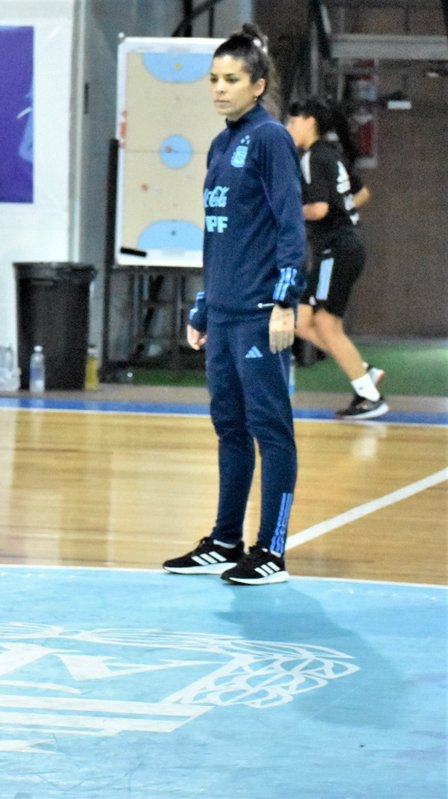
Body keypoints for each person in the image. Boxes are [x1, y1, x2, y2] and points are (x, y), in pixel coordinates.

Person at [163, 24, 306, 586]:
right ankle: (226, 541)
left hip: (257, 313)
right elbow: (218, 234)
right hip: (222, 315)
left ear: (258, 84)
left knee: (271, 430)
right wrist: (202, 305)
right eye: (214, 79)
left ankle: (271, 551)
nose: (219, 89)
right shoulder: (222, 144)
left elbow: (289, 226)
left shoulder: (270, 139)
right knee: (229, 427)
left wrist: (284, 301)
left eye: (232, 80)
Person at [286, 96, 388, 420]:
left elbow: (319, 209)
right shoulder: (333, 156)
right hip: (340, 248)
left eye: (293, 120)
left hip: (337, 250)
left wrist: (285, 212)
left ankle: (369, 396)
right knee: (300, 321)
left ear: (309, 122)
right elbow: (363, 193)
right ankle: (364, 372)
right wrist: (345, 212)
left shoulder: (313, 158)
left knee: (327, 325)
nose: (289, 127)